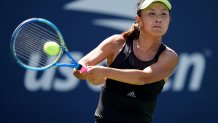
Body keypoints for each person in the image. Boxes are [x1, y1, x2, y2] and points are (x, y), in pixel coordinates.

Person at [73, 0, 178, 122]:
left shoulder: (169, 57)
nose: (158, 19)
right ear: (139, 20)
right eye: (152, 13)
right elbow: (80, 67)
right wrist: (85, 73)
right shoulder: (116, 43)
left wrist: (104, 72)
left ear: (169, 20)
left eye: (163, 14)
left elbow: (142, 78)